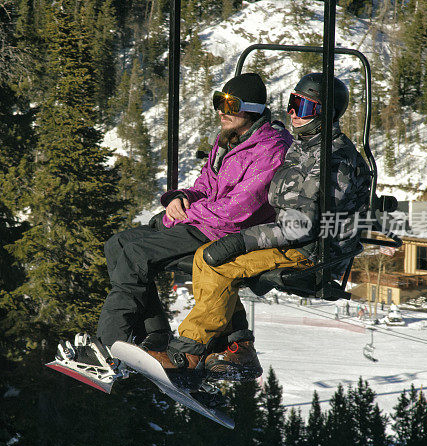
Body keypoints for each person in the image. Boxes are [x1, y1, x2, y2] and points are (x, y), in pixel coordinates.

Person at [144, 73, 371, 381]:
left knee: (218, 263)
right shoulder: (304, 148)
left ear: (324, 113)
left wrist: (242, 241)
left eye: (303, 107)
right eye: (291, 103)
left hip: (314, 250)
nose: (292, 113)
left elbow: (301, 226)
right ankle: (237, 349)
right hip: (292, 240)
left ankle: (189, 352)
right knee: (208, 257)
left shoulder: (335, 160)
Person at [67, 73, 292, 367]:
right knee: (118, 243)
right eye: (219, 102)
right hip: (205, 222)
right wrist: (180, 198)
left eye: (231, 105)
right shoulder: (229, 140)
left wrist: (186, 214)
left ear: (252, 109)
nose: (222, 111)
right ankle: (154, 335)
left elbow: (238, 211)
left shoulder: (270, 149)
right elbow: (205, 185)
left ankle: (109, 348)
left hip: (231, 233)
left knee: (136, 254)